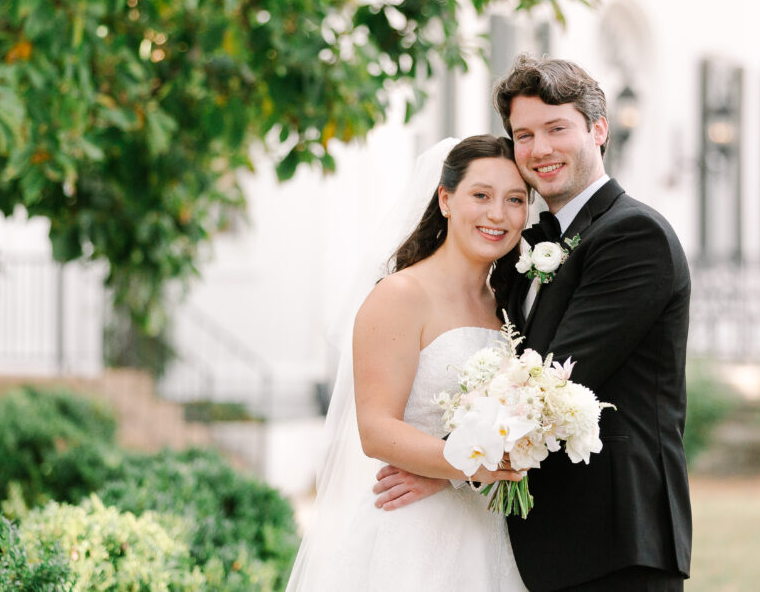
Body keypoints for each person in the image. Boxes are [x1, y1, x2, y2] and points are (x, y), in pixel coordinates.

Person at [374, 55, 692, 591]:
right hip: (542, 542)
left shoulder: (634, 235)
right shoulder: (533, 248)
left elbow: (554, 383)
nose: (539, 149)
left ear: (598, 129)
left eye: (556, 128)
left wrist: (452, 465)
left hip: (616, 540)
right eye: (523, 135)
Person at [286, 135, 530, 591]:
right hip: (412, 534)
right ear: (446, 199)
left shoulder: (507, 307)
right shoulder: (400, 295)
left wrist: (459, 476)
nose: (498, 214)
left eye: (515, 199)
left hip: (487, 530)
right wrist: (471, 466)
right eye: (481, 195)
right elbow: (376, 429)